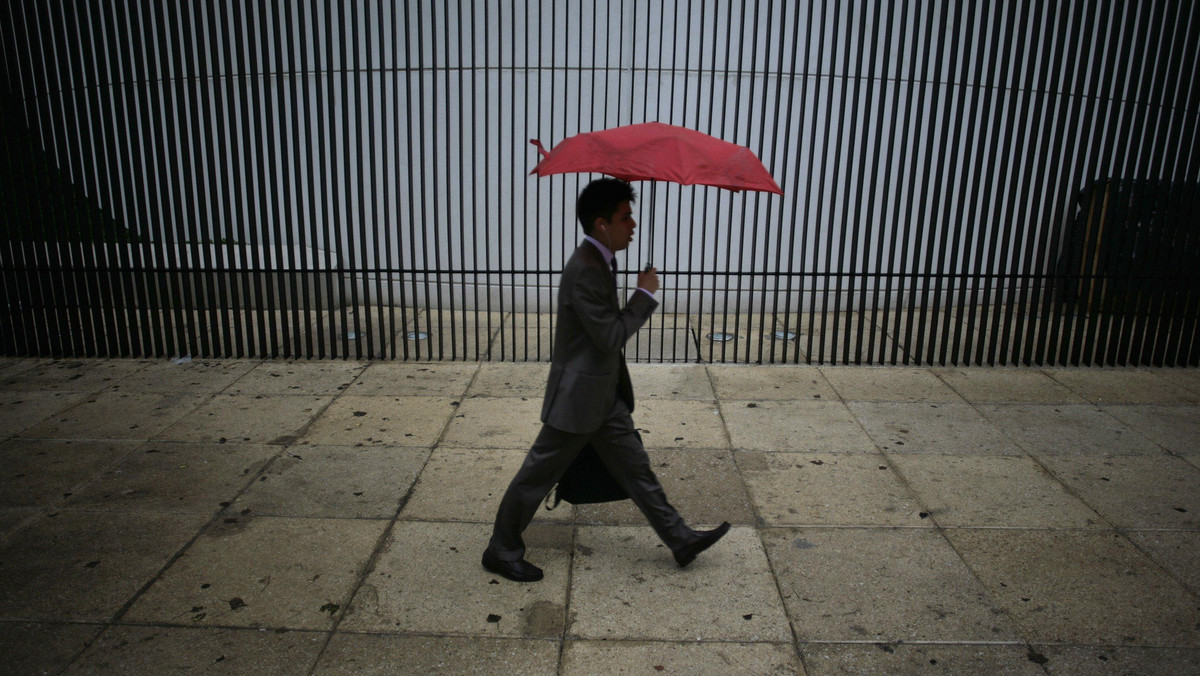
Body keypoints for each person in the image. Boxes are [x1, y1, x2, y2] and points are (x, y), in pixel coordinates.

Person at [482, 177, 730, 582]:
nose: (633, 224)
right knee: (536, 477)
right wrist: (644, 296)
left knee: (636, 469)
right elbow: (609, 335)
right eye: (625, 217)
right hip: (579, 399)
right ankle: (501, 549)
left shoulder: (601, 261)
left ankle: (680, 539)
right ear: (602, 224)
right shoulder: (586, 269)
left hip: (601, 393)